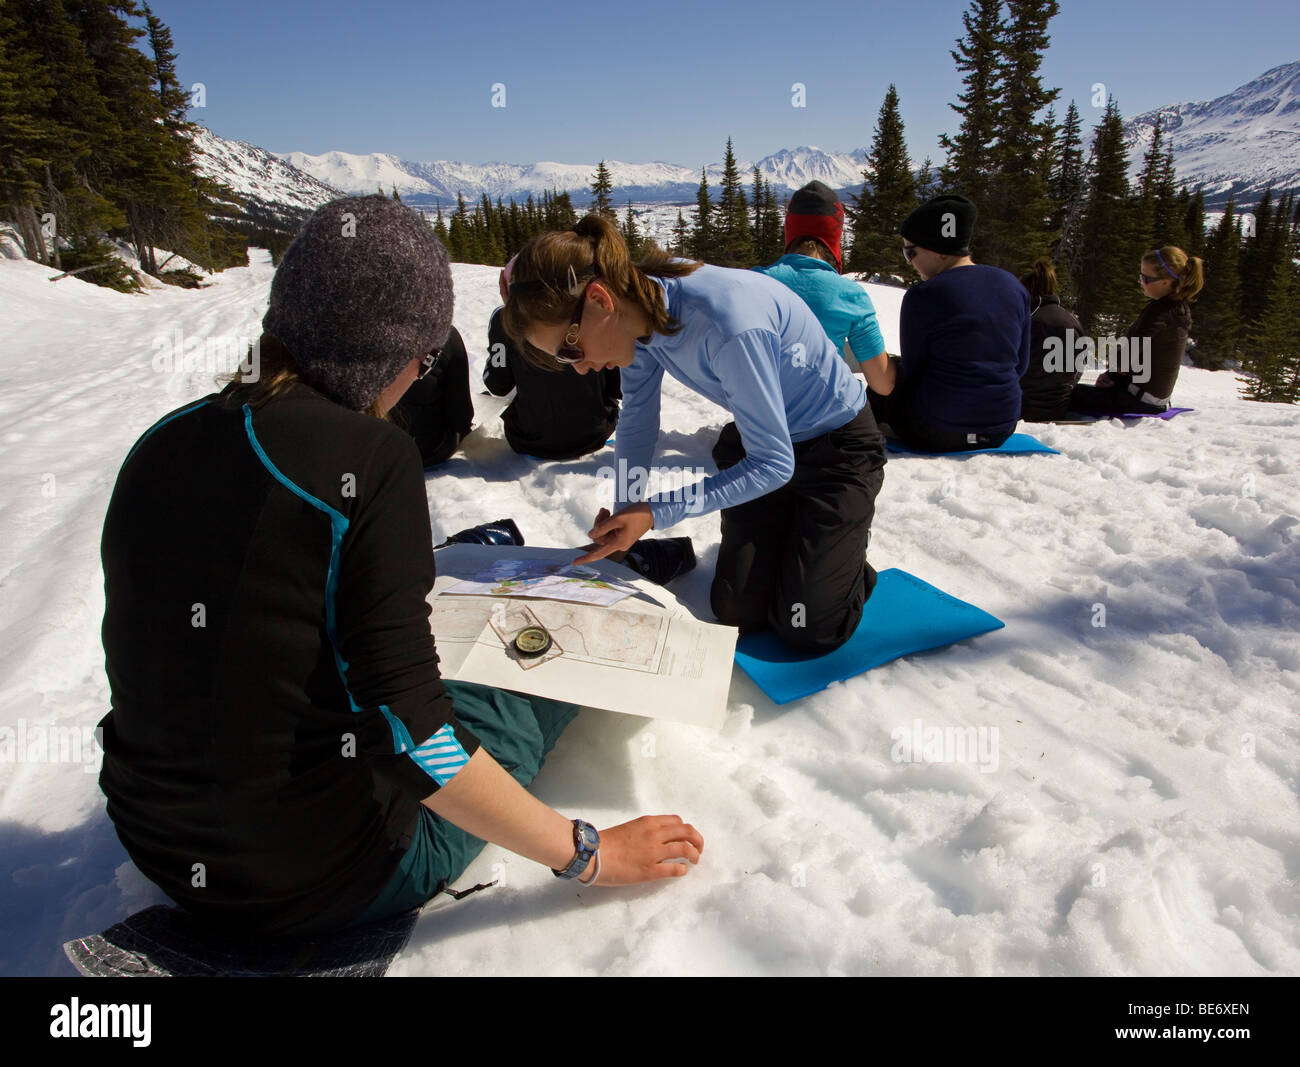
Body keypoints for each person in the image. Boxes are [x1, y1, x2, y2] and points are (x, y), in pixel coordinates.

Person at [97, 196, 703, 939]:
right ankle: (616, 577)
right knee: (529, 677)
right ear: (388, 353)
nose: (418, 379)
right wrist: (589, 852)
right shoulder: (366, 456)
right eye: (421, 360)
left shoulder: (162, 442)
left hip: (157, 836)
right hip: (328, 873)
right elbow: (416, 732)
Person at [502, 212, 887, 654]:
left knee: (808, 627)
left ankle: (845, 555)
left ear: (599, 300)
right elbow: (637, 422)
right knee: (737, 610)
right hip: (762, 443)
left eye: (571, 349)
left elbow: (775, 464)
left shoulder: (730, 326)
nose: (582, 367)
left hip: (836, 452)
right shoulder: (637, 313)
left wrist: (656, 512)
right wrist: (628, 513)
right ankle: (808, 548)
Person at [868, 194, 1030, 452]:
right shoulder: (1013, 286)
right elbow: (1020, 365)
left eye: (910, 252)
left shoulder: (924, 295)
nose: (910, 263)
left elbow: (912, 372)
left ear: (935, 250)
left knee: (878, 387)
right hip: (1001, 427)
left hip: (935, 430)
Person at [753, 180, 895, 397]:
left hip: (767, 414)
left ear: (790, 231)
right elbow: (883, 384)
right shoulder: (850, 294)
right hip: (830, 414)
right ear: (835, 234)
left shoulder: (753, 282)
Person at [485, 261, 621, 459]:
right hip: (595, 433)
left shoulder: (502, 320)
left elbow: (497, 386)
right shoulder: (587, 311)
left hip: (529, 438)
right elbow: (617, 386)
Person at [1068, 245, 1204, 415]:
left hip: (1139, 401)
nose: (1141, 282)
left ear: (1166, 282)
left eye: (1146, 278)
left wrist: (1114, 367)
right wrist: (1113, 376)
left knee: (1066, 395)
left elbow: (1124, 360)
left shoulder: (1159, 313)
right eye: (1141, 276)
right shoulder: (1178, 308)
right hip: (1147, 396)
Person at [392, 323, 473, 466]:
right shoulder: (443, 334)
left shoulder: (351, 326)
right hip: (426, 450)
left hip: (366, 448)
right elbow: (461, 417)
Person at [1017, 258, 1085, 422]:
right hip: (1058, 408)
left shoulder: (1026, 320)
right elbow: (1078, 369)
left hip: (1021, 407)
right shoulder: (1072, 320)